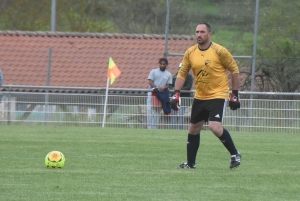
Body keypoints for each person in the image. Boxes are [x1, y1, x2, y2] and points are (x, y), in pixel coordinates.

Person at [170, 23, 241, 169]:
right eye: (197, 32)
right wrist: (176, 93)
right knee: (194, 129)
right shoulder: (190, 52)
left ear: (209, 34)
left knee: (214, 127)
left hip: (218, 94)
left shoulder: (219, 51)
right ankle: (190, 164)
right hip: (200, 96)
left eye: (202, 32)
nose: (199, 35)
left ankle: (235, 154)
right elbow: (182, 73)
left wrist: (234, 94)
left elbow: (234, 70)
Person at [147, 58, 172, 129]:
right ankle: (149, 127)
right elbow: (150, 82)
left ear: (166, 65)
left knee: (157, 111)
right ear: (159, 64)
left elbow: (168, 85)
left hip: (161, 94)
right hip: (152, 93)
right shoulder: (153, 71)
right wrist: (157, 88)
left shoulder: (169, 74)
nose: (162, 65)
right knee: (149, 110)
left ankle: (154, 127)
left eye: (164, 64)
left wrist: (163, 88)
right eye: (161, 64)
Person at [170, 63, 193, 130]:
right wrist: (173, 89)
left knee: (181, 114)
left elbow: (188, 87)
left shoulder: (189, 77)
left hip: (184, 99)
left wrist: (178, 89)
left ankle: (180, 128)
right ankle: (173, 128)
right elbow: (171, 85)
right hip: (175, 98)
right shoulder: (175, 76)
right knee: (173, 114)